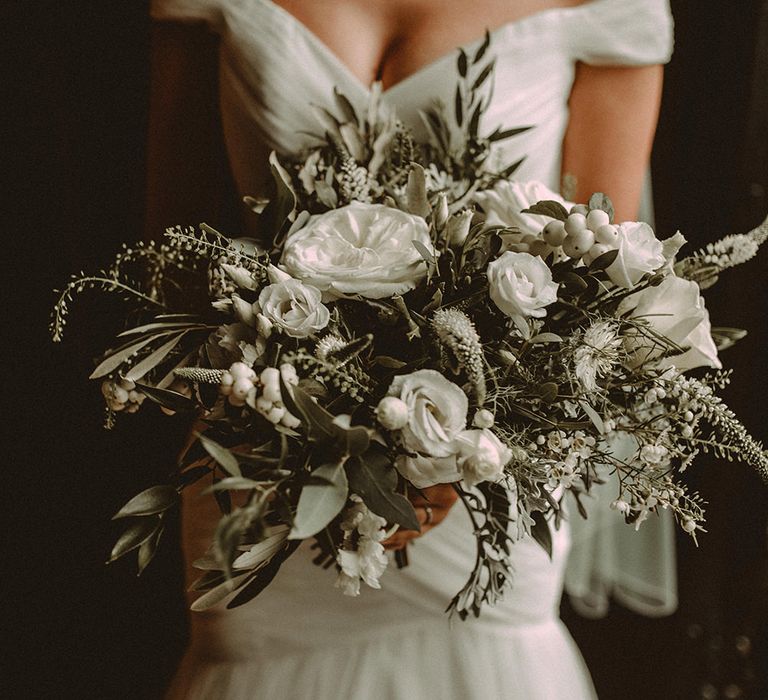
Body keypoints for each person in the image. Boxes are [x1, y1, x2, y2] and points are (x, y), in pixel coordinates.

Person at [146, 1, 674, 698]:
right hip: (261, 449)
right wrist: (292, 406)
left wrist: (451, 446)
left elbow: (603, 285)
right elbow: (170, 255)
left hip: (482, 473)